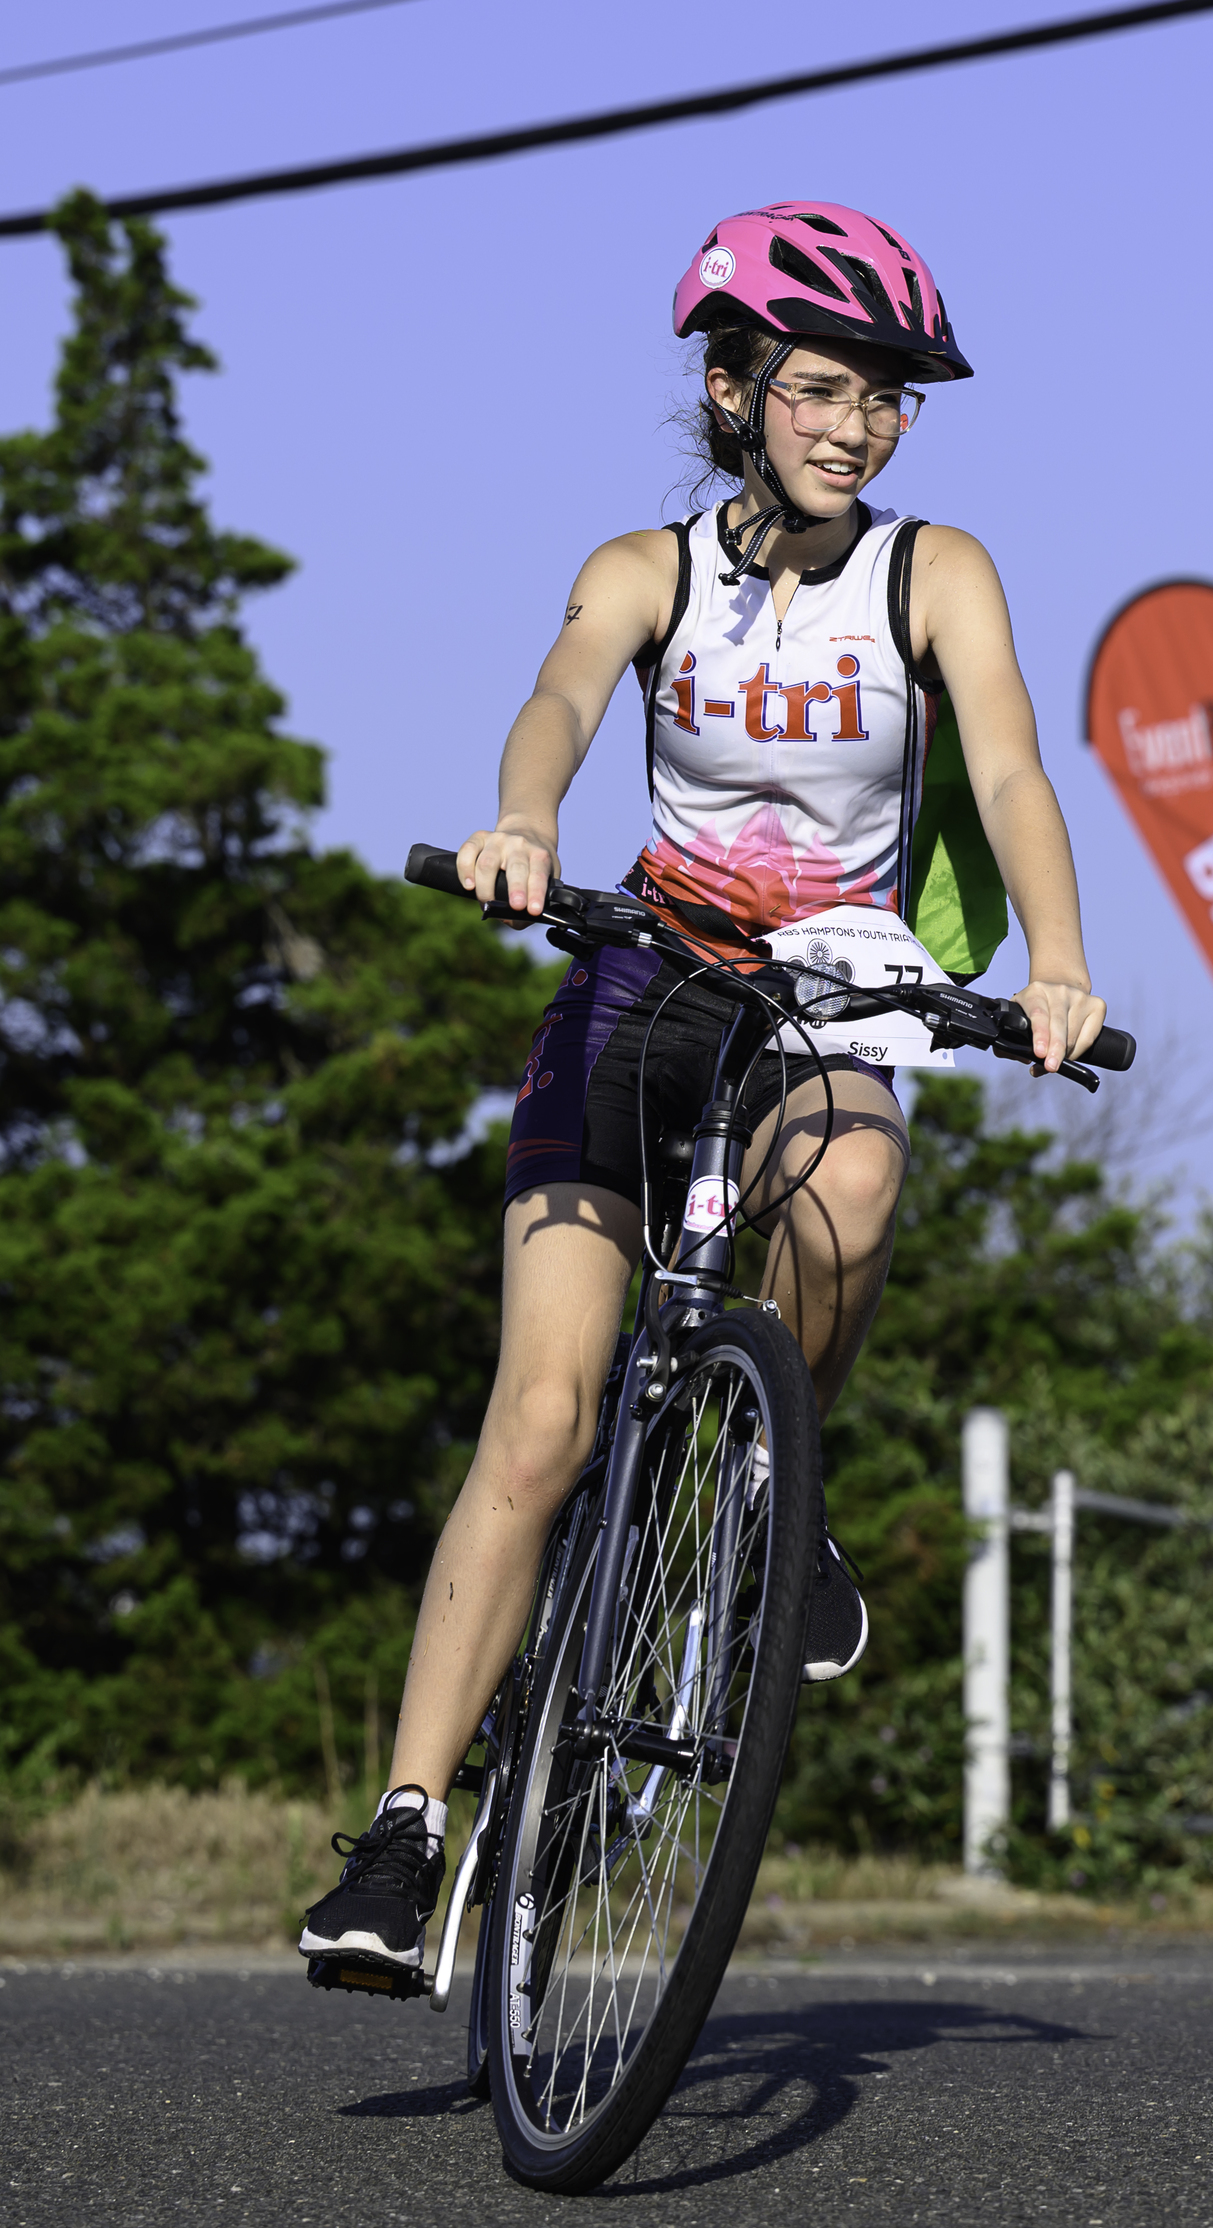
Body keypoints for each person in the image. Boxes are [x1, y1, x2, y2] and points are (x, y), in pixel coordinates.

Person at [300, 201, 1108, 1976]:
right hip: (646, 978)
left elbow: (1016, 770)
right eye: (824, 388)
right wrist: (524, 821)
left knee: (856, 1190)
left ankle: (767, 1484)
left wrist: (1052, 952)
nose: (859, 424)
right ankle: (405, 1832)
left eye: (888, 398)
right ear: (735, 385)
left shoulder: (939, 572)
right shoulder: (646, 564)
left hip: (840, 985)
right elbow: (560, 693)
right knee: (542, 1415)